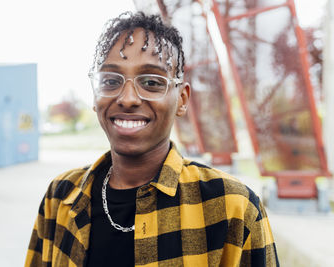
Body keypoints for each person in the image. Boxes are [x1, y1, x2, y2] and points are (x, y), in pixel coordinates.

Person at [25, 11, 279, 267]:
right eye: (111, 81)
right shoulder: (61, 196)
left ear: (182, 99)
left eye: (151, 82)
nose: (128, 98)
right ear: (94, 97)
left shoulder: (232, 206)